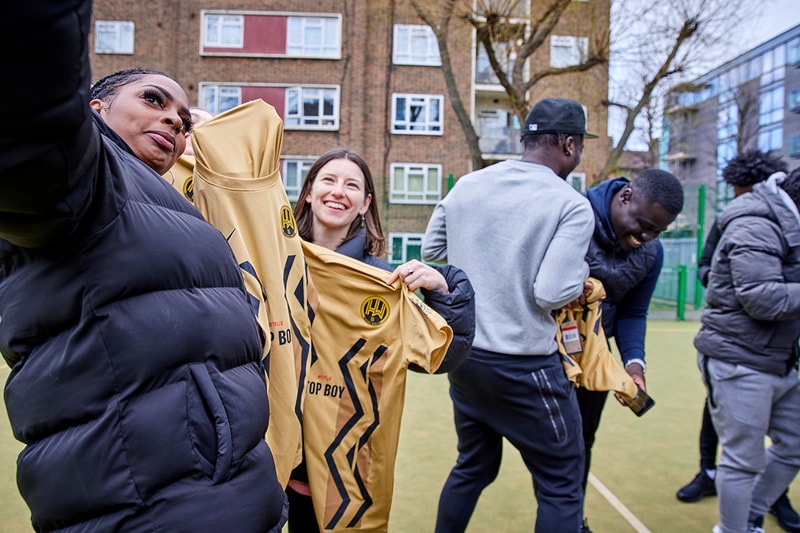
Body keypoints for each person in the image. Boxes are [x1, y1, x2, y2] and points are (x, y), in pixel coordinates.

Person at [0, 1, 286, 531]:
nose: (173, 120)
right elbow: (28, 112)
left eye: (182, 118)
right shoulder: (87, 185)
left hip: (230, 500)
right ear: (95, 110)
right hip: (151, 510)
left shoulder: (170, 204)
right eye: (153, 100)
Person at [422, 97, 596, 532]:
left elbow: (431, 252)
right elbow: (551, 293)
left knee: (473, 467)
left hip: (466, 359)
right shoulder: (571, 204)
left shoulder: (469, 184)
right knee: (561, 485)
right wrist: (584, 276)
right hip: (525, 365)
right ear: (570, 145)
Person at [287, 148, 476, 532]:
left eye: (352, 185)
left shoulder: (383, 281)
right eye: (328, 180)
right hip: (263, 461)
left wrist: (445, 288)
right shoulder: (275, 259)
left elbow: (445, 355)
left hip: (338, 469)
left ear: (365, 203)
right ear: (309, 192)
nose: (338, 191)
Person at [676, 150, 800, 532]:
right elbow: (759, 295)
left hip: (779, 356)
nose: (740, 194)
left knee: (791, 444)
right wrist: (716, 280)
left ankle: (749, 513)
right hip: (738, 353)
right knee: (740, 456)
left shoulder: (780, 220)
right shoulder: (752, 223)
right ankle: (732, 521)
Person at [576, 168, 684, 530]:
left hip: (595, 358)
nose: (646, 237)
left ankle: (572, 517)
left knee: (581, 443)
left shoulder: (652, 253)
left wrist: (634, 365)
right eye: (642, 225)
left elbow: (633, 312)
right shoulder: (573, 216)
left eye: (656, 231)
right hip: (543, 353)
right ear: (625, 198)